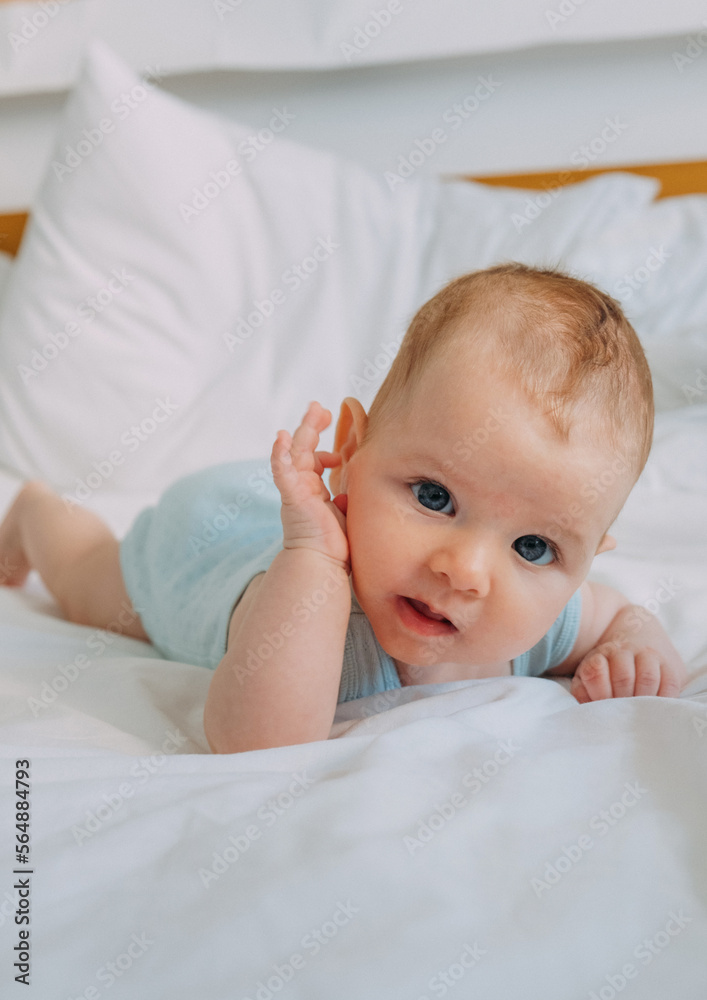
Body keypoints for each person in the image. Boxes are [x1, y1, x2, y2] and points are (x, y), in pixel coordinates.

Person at [0, 264, 687, 754]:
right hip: (202, 540)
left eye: (533, 547)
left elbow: (620, 615)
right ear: (352, 449)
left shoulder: (545, 620)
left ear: (585, 560)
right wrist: (311, 552)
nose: (464, 572)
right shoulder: (307, 603)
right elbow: (255, 742)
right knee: (94, 584)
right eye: (434, 497)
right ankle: (38, 510)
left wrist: (635, 645)